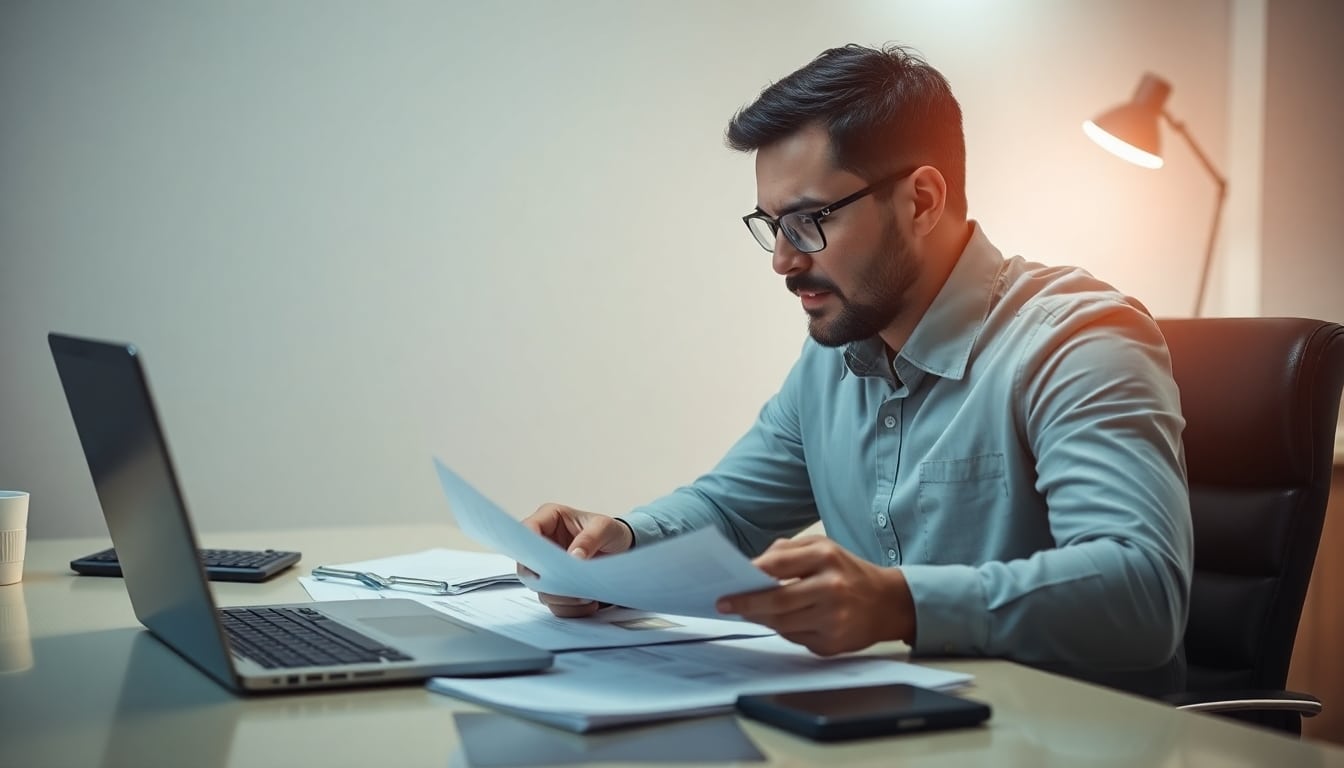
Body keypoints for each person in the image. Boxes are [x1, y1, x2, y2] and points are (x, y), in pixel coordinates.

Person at [519, 43, 1193, 694]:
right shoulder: (834, 358)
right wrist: (619, 546)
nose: (782, 260)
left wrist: (901, 605)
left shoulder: (1077, 342)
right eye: (773, 224)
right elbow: (728, 507)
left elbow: (1142, 592)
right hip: (901, 731)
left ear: (922, 200)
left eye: (810, 220)